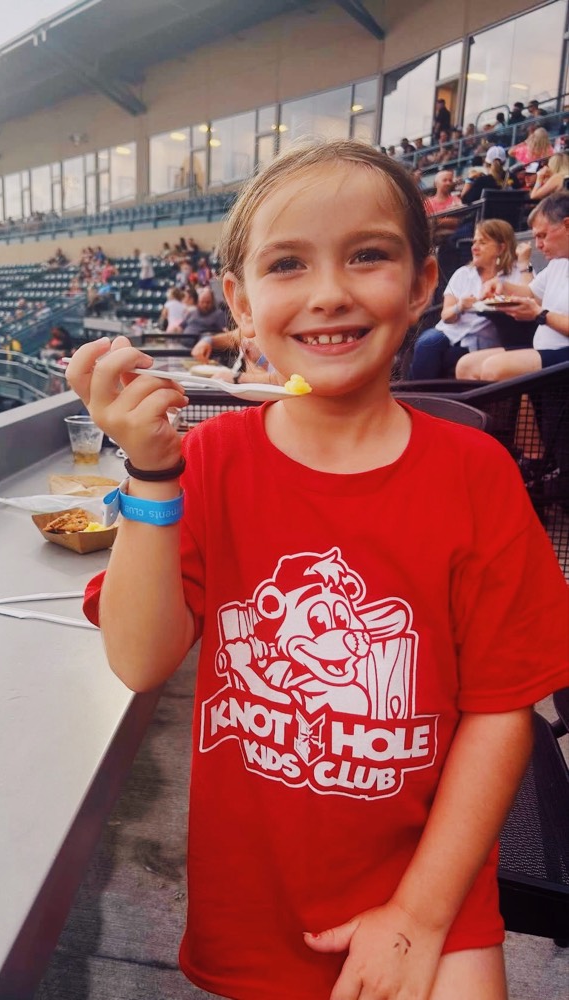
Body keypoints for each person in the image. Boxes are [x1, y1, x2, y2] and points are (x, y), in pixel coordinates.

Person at [66, 140, 567, 1000]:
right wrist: (150, 474)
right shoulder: (210, 461)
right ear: (241, 301)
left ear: (419, 285)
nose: (329, 291)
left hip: (432, 891)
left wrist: (415, 915)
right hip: (256, 907)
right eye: (287, 263)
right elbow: (139, 659)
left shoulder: (475, 475)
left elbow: (499, 713)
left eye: (367, 255)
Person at [455, 191, 569, 381]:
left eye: (542, 236)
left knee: (494, 368)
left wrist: (540, 315)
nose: (538, 245)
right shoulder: (559, 261)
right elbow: (532, 293)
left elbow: (537, 307)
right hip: (544, 347)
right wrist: (501, 285)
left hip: (563, 354)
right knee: (466, 366)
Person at [408, 220, 527, 379]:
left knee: (445, 359)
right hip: (449, 332)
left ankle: (429, 397)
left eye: (482, 242)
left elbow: (530, 296)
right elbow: (446, 316)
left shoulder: (517, 273)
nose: (474, 247)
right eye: (474, 242)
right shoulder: (463, 274)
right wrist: (460, 306)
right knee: (427, 344)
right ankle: (418, 397)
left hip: (483, 341)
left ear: (501, 248)